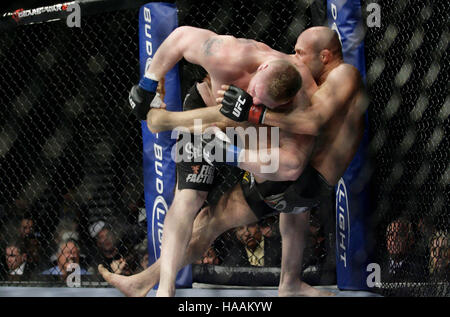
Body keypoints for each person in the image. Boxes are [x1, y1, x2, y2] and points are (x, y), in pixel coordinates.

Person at [100, 26, 365, 297]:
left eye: (300, 52)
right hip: (218, 124)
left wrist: (250, 118)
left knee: (218, 219)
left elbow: (306, 134)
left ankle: (288, 283)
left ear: (324, 56)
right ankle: (157, 286)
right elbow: (180, 38)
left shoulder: (321, 81)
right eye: (295, 50)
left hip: (291, 179)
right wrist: (149, 82)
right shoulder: (230, 55)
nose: (294, 55)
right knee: (195, 206)